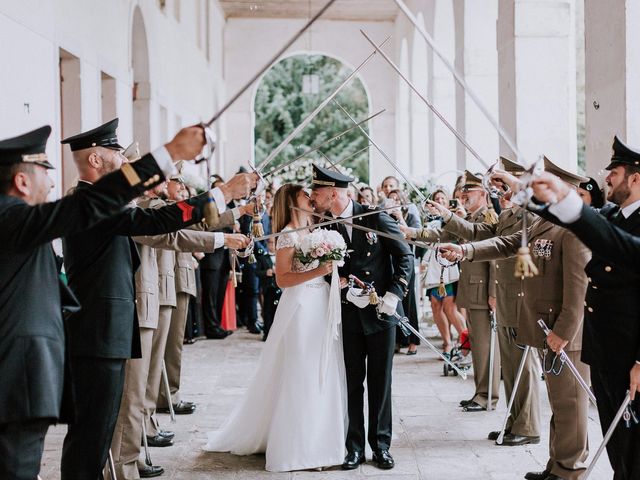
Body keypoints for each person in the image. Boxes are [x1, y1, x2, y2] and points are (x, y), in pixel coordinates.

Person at [60, 118, 257, 480]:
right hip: (98, 331)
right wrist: (222, 194)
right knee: (91, 432)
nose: (123, 161)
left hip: (108, 329)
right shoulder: (89, 202)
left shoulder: (96, 201)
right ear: (96, 161)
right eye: (116, 154)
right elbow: (160, 222)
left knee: (100, 428)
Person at [0, 124, 187, 480]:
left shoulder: (19, 222)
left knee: (93, 434)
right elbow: (98, 201)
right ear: (22, 182)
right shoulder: (14, 219)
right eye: (44, 173)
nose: (53, 184)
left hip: (37, 372)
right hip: (23, 378)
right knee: (63, 448)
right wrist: (170, 153)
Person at [440, 157, 591, 480]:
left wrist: (564, 331)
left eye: (544, 184)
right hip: (547, 328)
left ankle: (572, 470)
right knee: (558, 403)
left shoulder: (574, 229)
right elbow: (509, 243)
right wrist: (465, 251)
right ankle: (557, 465)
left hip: (566, 334)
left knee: (571, 405)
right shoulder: (543, 222)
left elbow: (578, 289)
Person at [204, 183, 347, 472]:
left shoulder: (314, 232)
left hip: (320, 303)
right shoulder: (287, 236)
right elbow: (283, 279)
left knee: (323, 368)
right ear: (293, 203)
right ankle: (300, 450)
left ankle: (323, 441)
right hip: (300, 309)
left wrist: (334, 276)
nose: (310, 197)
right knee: (302, 371)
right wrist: (321, 270)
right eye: (304, 195)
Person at [530, 136, 640, 479]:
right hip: (606, 354)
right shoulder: (617, 215)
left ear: (636, 177)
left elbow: (600, 232)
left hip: (632, 359)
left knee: (636, 454)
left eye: (615, 172)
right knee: (618, 449)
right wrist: (526, 192)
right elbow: (585, 220)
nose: (607, 178)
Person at [426, 159, 541, 446]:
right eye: (498, 187)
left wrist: (464, 251)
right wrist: (450, 222)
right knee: (511, 365)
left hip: (520, 297)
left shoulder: (530, 215)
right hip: (505, 297)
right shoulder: (506, 214)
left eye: (504, 186)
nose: (499, 193)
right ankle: (514, 420)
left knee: (521, 365)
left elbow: (503, 244)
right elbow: (481, 235)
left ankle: (527, 426)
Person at [311, 165, 413, 470]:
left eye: (319, 192)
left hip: (381, 313)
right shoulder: (325, 228)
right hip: (348, 316)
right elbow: (325, 269)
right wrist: (338, 284)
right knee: (352, 382)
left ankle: (381, 445)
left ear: (333, 193)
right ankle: (353, 446)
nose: (316, 198)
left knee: (381, 383)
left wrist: (395, 294)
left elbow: (404, 255)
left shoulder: (375, 216)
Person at [406, 171, 499, 412]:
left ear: (484, 193)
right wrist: (412, 233)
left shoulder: (488, 217)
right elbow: (442, 235)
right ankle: (480, 392)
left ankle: (487, 395)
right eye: (463, 191)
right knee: (477, 343)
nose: (464, 195)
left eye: (470, 191)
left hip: (483, 290)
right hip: (470, 287)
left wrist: (493, 292)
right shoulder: (469, 217)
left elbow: (494, 261)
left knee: (484, 345)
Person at [418, 188, 466, 354]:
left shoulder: (454, 218)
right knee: (435, 305)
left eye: (442, 199)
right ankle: (447, 342)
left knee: (450, 307)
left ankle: (466, 340)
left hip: (450, 267)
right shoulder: (429, 220)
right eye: (436, 199)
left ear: (448, 201)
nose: (439, 201)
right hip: (434, 269)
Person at [386, 188, 421, 355]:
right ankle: (399, 339)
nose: (394, 203)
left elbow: (414, 238)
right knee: (395, 300)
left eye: (396, 200)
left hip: (406, 262)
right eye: (391, 200)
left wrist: (400, 217)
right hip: (390, 262)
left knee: (409, 301)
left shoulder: (410, 216)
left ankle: (413, 340)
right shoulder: (384, 218)